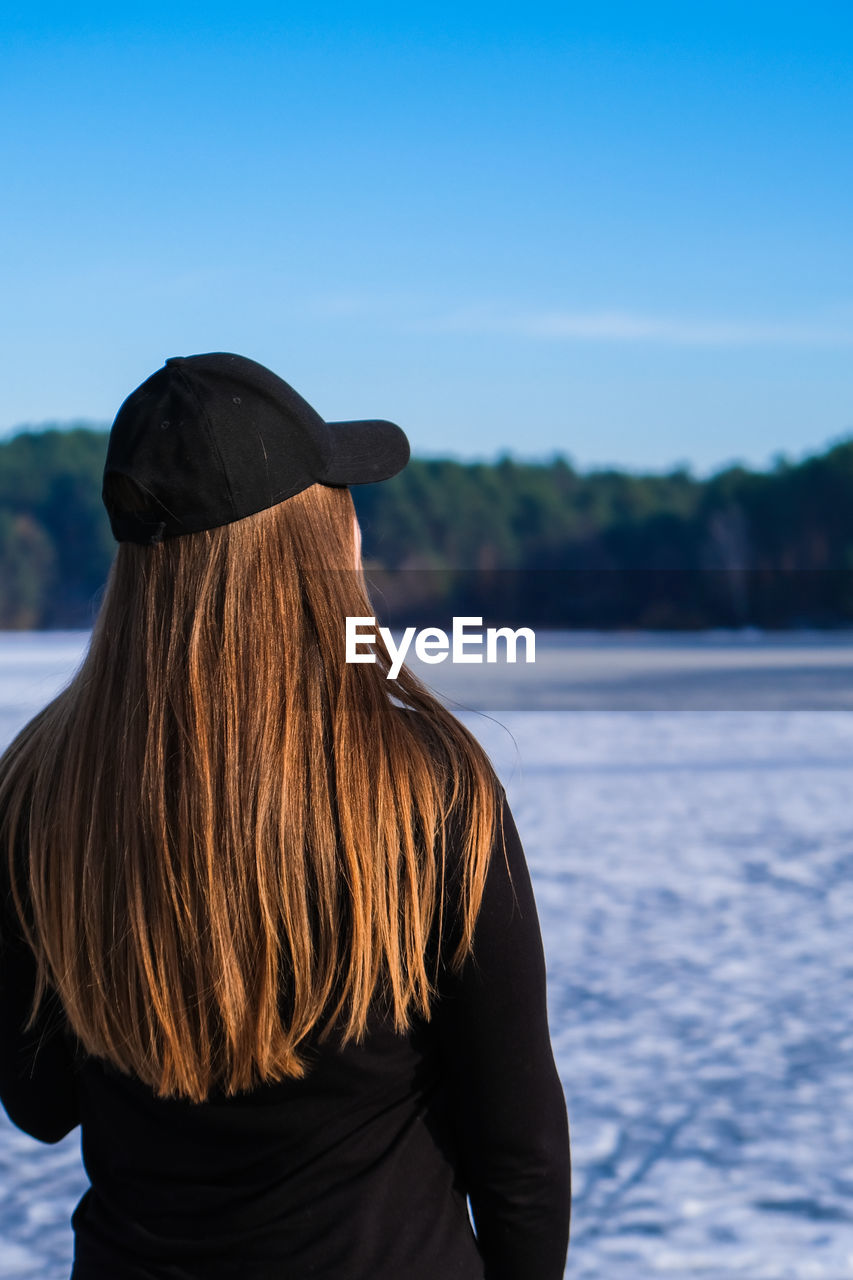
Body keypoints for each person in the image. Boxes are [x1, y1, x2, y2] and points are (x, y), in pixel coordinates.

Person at [0, 353, 570, 1279]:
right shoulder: (426, 787)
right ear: (314, 546)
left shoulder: (38, 790)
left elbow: (41, 1101)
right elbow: (521, 1151)